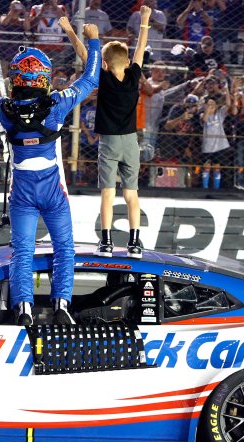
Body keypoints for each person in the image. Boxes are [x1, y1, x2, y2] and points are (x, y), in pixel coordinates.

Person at [0, 21, 101, 326]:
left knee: (23, 252)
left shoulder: (4, 107)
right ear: (45, 77)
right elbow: (92, 79)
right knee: (65, 248)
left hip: (22, 194)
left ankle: (23, 308)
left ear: (15, 77)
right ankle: (62, 303)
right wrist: (93, 42)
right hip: (53, 191)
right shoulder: (57, 103)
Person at [91, 5, 152, 259]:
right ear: (126, 63)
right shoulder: (133, 77)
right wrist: (145, 19)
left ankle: (106, 242)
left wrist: (89, 37)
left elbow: (87, 56)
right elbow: (140, 49)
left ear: (103, 64)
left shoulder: (103, 78)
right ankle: (134, 243)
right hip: (130, 142)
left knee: (108, 192)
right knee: (131, 193)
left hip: (109, 142)